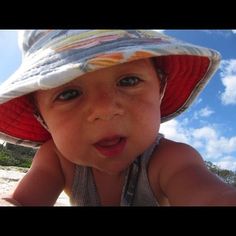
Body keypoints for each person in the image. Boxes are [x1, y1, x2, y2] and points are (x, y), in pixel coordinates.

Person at [0, 30, 236, 206]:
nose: (105, 110)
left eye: (128, 81)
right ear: (42, 119)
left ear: (160, 89)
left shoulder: (171, 159)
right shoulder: (56, 160)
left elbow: (210, 196)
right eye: (69, 94)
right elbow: (20, 201)